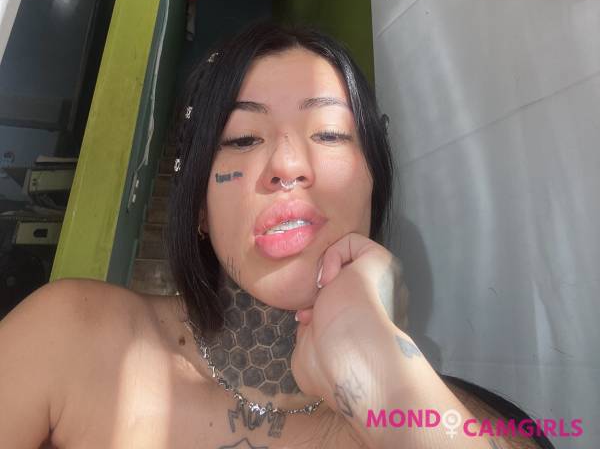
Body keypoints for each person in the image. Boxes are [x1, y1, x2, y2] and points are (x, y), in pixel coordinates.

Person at [0, 22, 541, 449]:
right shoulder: (70, 341)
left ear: (374, 183)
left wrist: (375, 369)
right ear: (199, 209)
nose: (286, 164)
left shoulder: (466, 423)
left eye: (330, 133)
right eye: (242, 139)